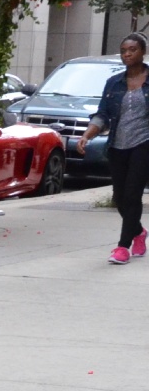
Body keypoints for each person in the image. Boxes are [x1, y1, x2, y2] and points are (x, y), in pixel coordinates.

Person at [78, 32, 149, 264]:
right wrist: (87, 135)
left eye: (132, 50)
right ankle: (138, 232)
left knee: (132, 195)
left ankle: (122, 247)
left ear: (143, 52)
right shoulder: (114, 83)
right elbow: (103, 115)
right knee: (120, 197)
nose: (127, 54)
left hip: (143, 145)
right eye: (123, 51)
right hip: (117, 146)